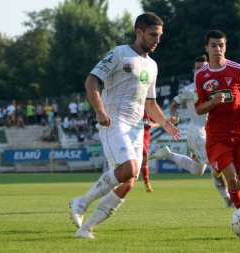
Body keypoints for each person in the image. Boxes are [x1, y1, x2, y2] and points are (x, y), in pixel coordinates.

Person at [69, 12, 180, 239]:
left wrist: (165, 122)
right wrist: (99, 110)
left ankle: (85, 229)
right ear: (139, 32)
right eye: (152, 35)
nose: (157, 41)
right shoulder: (120, 53)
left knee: (128, 183)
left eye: (159, 36)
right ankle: (82, 201)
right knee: (129, 169)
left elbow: (150, 104)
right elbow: (91, 80)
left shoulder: (153, 65)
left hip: (136, 128)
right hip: (114, 122)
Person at [149, 55, 232, 208]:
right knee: (216, 164)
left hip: (212, 132)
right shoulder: (189, 90)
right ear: (194, 71)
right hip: (197, 132)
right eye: (198, 68)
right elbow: (173, 105)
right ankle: (228, 199)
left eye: (204, 67)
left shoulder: (214, 85)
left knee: (197, 170)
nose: (201, 70)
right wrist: (173, 116)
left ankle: (168, 154)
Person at [194, 30, 240, 209]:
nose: (217, 49)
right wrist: (212, 103)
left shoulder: (238, 70)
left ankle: (223, 166)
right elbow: (198, 109)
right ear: (207, 48)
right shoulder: (200, 76)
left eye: (221, 45)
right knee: (233, 179)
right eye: (213, 45)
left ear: (225, 47)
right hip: (217, 137)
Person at [141, 111, 160, 192]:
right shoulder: (133, 106)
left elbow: (159, 122)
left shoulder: (149, 108)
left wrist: (152, 125)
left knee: (144, 160)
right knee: (142, 158)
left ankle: (147, 183)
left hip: (146, 136)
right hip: (134, 135)